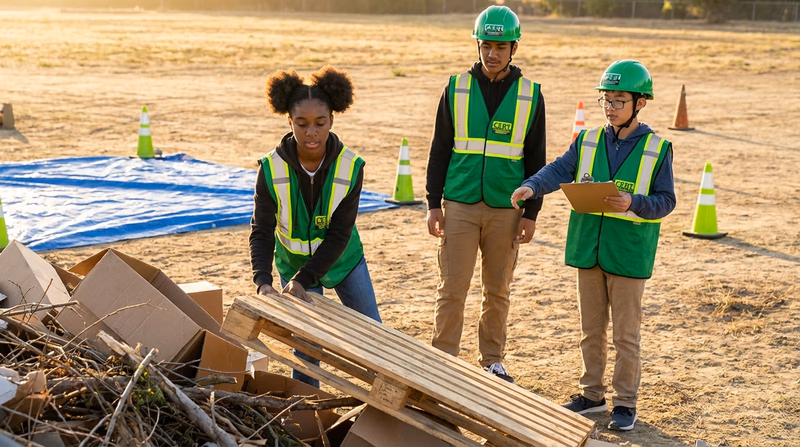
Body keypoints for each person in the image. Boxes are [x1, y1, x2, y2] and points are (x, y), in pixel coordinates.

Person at [510, 60, 676, 430]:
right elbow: (558, 169)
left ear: (640, 103)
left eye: (619, 100)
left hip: (629, 254)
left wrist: (633, 202)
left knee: (625, 335)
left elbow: (666, 201)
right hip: (589, 249)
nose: (611, 107)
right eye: (606, 100)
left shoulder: (657, 147)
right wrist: (532, 186)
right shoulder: (586, 140)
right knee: (591, 328)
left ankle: (625, 404)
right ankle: (592, 394)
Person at [426, 5, 547, 384]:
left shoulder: (531, 95)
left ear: (514, 47)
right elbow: (439, 148)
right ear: (477, 44)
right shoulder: (456, 87)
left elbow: (536, 159)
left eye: (500, 45)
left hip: (507, 208)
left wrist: (531, 214)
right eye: (486, 45)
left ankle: (492, 359)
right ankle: (443, 358)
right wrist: (433, 203)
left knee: (498, 290)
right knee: (452, 288)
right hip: (459, 203)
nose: (492, 53)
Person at [249, 66, 381, 388]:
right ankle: (308, 414)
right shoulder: (271, 168)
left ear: (332, 120)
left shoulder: (351, 167)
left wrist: (302, 279)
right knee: (307, 348)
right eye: (302, 124)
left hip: (343, 261)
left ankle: (382, 414)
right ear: (289, 121)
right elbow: (262, 230)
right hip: (292, 264)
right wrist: (263, 281)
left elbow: (339, 233)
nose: (311, 132)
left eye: (320, 123)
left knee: (374, 336)